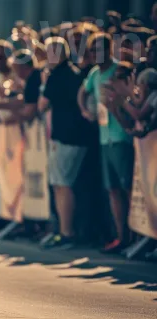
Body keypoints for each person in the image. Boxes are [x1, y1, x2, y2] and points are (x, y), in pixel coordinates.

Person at [78, 33, 135, 253]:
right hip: (105, 139)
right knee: (112, 190)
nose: (95, 55)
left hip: (122, 136)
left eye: (99, 50)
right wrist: (85, 110)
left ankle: (137, 236)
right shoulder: (94, 74)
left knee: (127, 187)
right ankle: (122, 237)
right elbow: (82, 92)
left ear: (109, 50)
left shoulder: (120, 70)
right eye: (92, 51)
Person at [39, 37, 92, 249]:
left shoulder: (57, 75)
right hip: (75, 136)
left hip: (67, 137)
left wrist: (44, 84)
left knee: (62, 184)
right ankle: (66, 231)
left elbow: (41, 106)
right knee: (63, 183)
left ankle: (66, 232)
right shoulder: (74, 73)